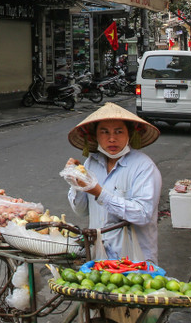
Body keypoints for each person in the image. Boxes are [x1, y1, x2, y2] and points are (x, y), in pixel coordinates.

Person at [65, 103, 162, 264]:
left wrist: (99, 193)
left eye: (119, 132)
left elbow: (143, 214)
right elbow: (81, 211)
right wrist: (76, 183)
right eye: (104, 132)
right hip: (100, 258)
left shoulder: (144, 167)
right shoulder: (91, 163)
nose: (112, 139)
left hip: (135, 262)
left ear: (129, 135)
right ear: (95, 136)